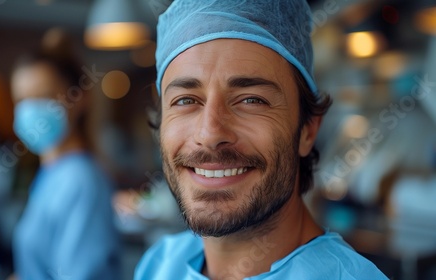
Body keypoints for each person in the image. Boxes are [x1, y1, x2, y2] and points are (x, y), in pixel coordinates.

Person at [135, 0, 389, 279]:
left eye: (251, 100)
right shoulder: (160, 265)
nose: (210, 135)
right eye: (185, 100)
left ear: (307, 129)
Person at [10, 44, 120, 279]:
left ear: (78, 99)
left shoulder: (80, 181)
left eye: (44, 96)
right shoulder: (51, 173)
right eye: (22, 99)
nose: (30, 110)